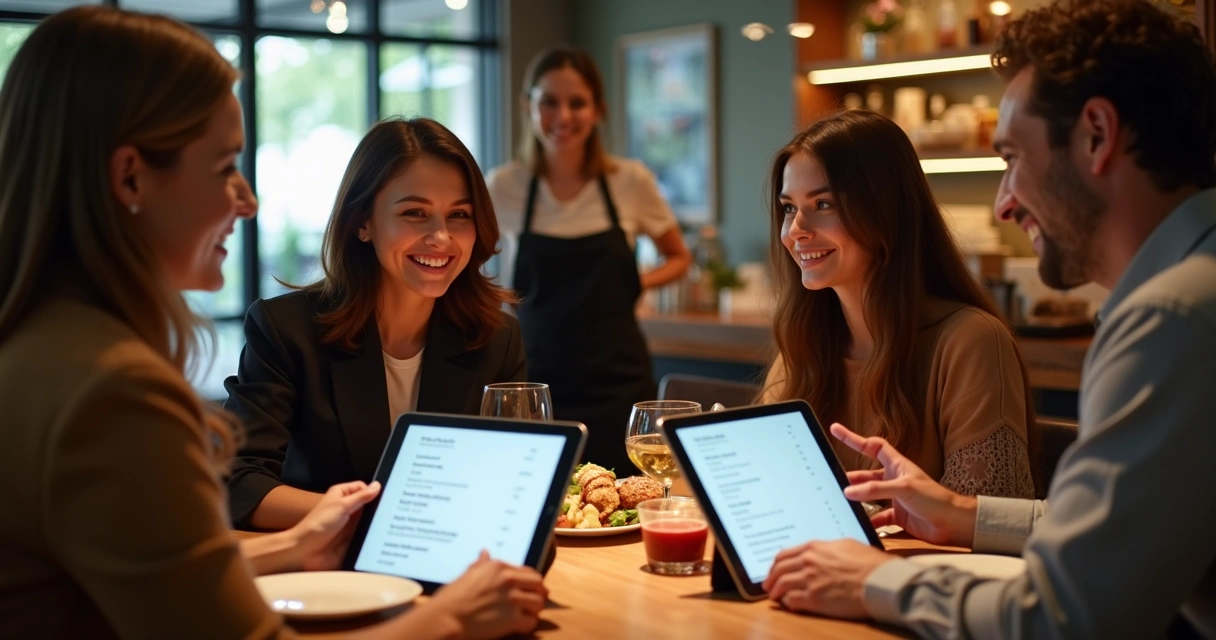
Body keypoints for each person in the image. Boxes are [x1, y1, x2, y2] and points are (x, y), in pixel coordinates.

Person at [0, 8, 544, 638]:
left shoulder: (41, 350)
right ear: (129, 177)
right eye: (224, 164)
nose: (248, 199)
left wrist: (291, 546)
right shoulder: (112, 390)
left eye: (458, 216)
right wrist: (454, 617)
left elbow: (151, 571)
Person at [762, 1, 1216, 637]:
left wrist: (870, 579)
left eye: (1011, 158)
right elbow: (1122, 532)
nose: (1003, 204)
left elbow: (1069, 615)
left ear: (1097, 133)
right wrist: (959, 512)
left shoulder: (1173, 320)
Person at [223, 117, 526, 532]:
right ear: (363, 222)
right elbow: (238, 482)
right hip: (322, 575)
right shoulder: (285, 329)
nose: (441, 237)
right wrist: (370, 516)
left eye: (459, 215)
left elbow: (515, 480)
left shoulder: (496, 338)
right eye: (415, 213)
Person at [759, 109, 1037, 499]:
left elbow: (990, 521)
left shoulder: (971, 342)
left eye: (824, 205)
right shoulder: (804, 340)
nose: (795, 231)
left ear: (885, 212)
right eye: (789, 208)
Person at [486, 47, 692, 473]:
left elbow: (678, 257)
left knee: (629, 500)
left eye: (577, 103)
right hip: (538, 382)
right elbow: (468, 267)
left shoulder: (630, 181)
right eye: (549, 102)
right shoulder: (504, 186)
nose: (563, 116)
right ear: (529, 106)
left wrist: (635, 283)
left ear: (598, 109)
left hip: (618, 383)